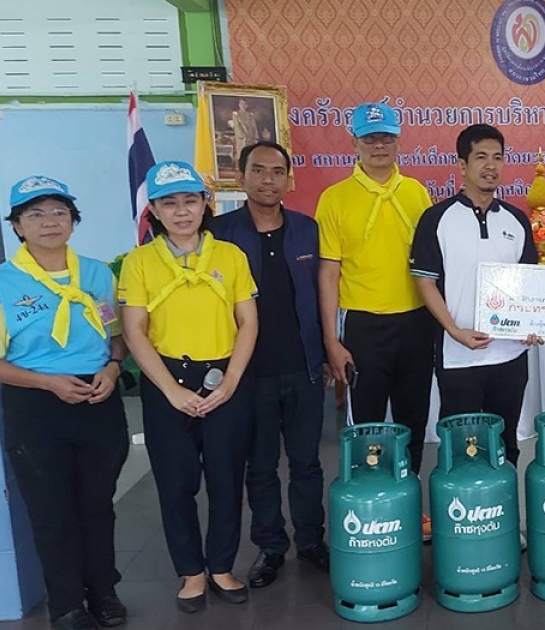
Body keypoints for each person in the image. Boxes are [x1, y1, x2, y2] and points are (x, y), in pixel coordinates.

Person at [0, 177, 129, 630]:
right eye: (35, 214)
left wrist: (113, 369)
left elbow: (116, 335)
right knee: (52, 512)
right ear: (18, 226)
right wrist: (47, 382)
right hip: (36, 405)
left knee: (98, 505)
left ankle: (104, 592)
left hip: (98, 398)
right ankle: (67, 605)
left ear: (73, 221)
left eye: (59, 212)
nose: (49, 222)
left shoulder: (97, 274)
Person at [119, 161, 258, 612]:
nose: (181, 212)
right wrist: (170, 390)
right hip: (167, 382)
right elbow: (135, 330)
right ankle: (191, 573)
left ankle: (221, 567)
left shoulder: (230, 256)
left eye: (190, 201)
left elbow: (248, 321)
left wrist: (231, 380)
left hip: (224, 380)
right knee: (176, 484)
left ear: (204, 205)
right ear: (155, 211)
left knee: (225, 480)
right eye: (169, 203)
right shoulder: (139, 262)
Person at [212, 142, 330, 588]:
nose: (268, 180)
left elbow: (322, 295)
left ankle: (311, 541)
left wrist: (328, 352)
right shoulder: (219, 233)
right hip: (246, 373)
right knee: (260, 466)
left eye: (278, 172)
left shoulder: (306, 230)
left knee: (306, 463)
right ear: (241, 176)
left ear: (288, 179)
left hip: (303, 366)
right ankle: (270, 546)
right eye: (259, 170)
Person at [316, 101, 436, 534]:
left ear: (398, 141)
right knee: (365, 423)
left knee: (412, 421)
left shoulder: (417, 193)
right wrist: (332, 340)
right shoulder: (335, 198)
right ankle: (371, 510)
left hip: (416, 322)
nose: (379, 145)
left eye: (386, 136)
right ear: (354, 142)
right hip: (363, 325)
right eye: (370, 138)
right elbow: (328, 273)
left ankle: (409, 505)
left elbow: (431, 263)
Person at [410, 124, 542, 467]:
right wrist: (454, 331)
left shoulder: (516, 220)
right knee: (461, 451)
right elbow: (425, 284)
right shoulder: (436, 219)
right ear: (462, 164)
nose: (490, 166)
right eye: (481, 157)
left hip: (510, 356)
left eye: (497, 157)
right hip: (459, 358)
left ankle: (505, 502)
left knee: (505, 447)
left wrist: (531, 324)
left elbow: (528, 285)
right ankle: (462, 505)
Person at [231, 99, 260, 164]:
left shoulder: (250, 115)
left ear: (247, 105)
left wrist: (255, 137)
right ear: (239, 105)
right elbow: (237, 126)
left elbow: (254, 126)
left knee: (251, 154)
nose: (243, 105)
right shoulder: (236, 114)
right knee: (242, 154)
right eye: (241, 103)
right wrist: (243, 136)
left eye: (244, 104)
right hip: (241, 138)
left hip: (251, 137)